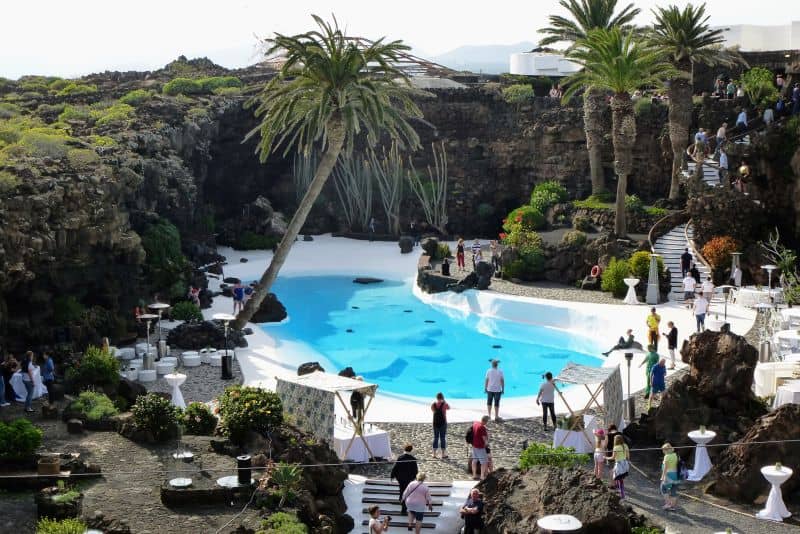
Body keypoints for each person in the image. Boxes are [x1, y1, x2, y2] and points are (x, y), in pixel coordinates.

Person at [390, 443, 419, 517]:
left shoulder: (400, 457)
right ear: (411, 450)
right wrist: (415, 478)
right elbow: (415, 471)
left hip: (401, 479)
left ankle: (401, 501)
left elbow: (395, 467)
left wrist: (392, 476)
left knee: (402, 490)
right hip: (409, 479)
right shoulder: (413, 459)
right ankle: (404, 508)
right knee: (407, 493)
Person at [607, 434, 630, 500]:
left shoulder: (616, 447)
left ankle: (622, 495)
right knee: (615, 475)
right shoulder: (625, 445)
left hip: (619, 464)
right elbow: (628, 456)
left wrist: (605, 457)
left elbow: (612, 457)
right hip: (624, 463)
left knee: (620, 479)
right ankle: (617, 488)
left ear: (616, 440)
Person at [660, 443, 680, 511]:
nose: (663, 452)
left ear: (666, 450)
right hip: (677, 475)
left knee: (663, 488)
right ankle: (672, 507)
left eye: (663, 450)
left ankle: (668, 504)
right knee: (673, 491)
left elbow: (665, 468)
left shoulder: (667, 456)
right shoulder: (676, 455)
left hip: (669, 475)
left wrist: (663, 477)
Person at [471, 415, 490, 481]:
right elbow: (484, 438)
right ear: (486, 421)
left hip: (474, 446)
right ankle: (482, 476)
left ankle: (474, 475)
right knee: (483, 462)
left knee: (474, 461)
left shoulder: (475, 423)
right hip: (480, 447)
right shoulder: (482, 427)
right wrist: (487, 443)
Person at [431, 392, 450, 459]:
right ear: (442, 397)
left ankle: (434, 454)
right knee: (442, 438)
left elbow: (433, 411)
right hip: (443, 423)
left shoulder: (433, 404)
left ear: (436, 397)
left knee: (435, 437)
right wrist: (444, 401)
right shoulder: (444, 404)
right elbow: (449, 408)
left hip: (435, 423)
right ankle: (443, 454)